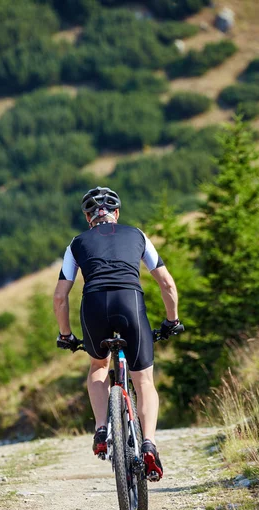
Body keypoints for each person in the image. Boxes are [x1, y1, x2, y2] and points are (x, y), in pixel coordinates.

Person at [53, 186, 182, 480]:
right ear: (117, 213)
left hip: (95, 306)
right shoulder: (138, 235)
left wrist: (66, 335)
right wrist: (171, 321)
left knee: (99, 365)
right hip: (130, 304)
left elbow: (60, 297)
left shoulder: (76, 244)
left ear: (88, 217)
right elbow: (167, 285)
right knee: (144, 379)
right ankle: (148, 442)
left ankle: (101, 428)